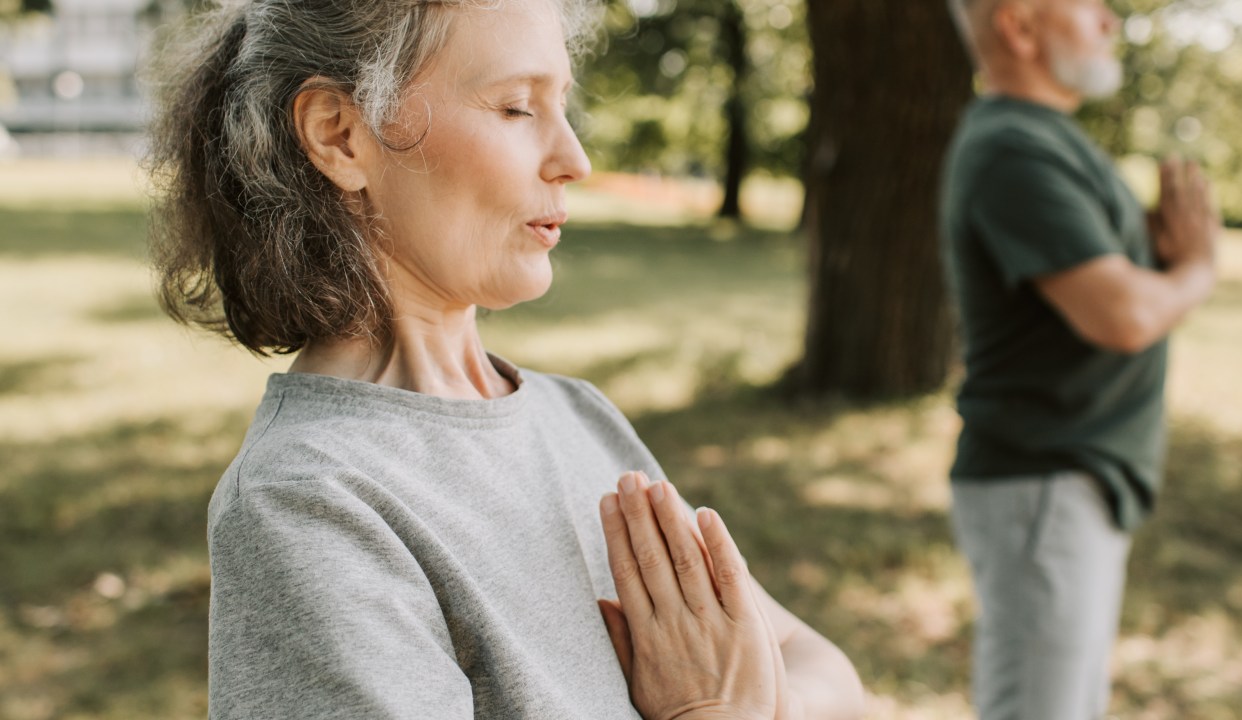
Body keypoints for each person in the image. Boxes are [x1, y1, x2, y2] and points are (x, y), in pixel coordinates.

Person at [146, 0, 864, 718]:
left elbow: (818, 666)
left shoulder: (576, 417)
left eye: (562, 105)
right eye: (518, 108)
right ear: (340, 135)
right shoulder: (306, 502)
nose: (575, 160)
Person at [940, 1, 1219, 719]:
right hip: (1045, 480)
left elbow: (1099, 284)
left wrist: (1149, 251)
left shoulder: (1042, 138)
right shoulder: (1014, 148)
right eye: (1087, 2)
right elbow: (1121, 315)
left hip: (1064, 479)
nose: (1108, 20)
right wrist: (1196, 268)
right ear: (1020, 25)